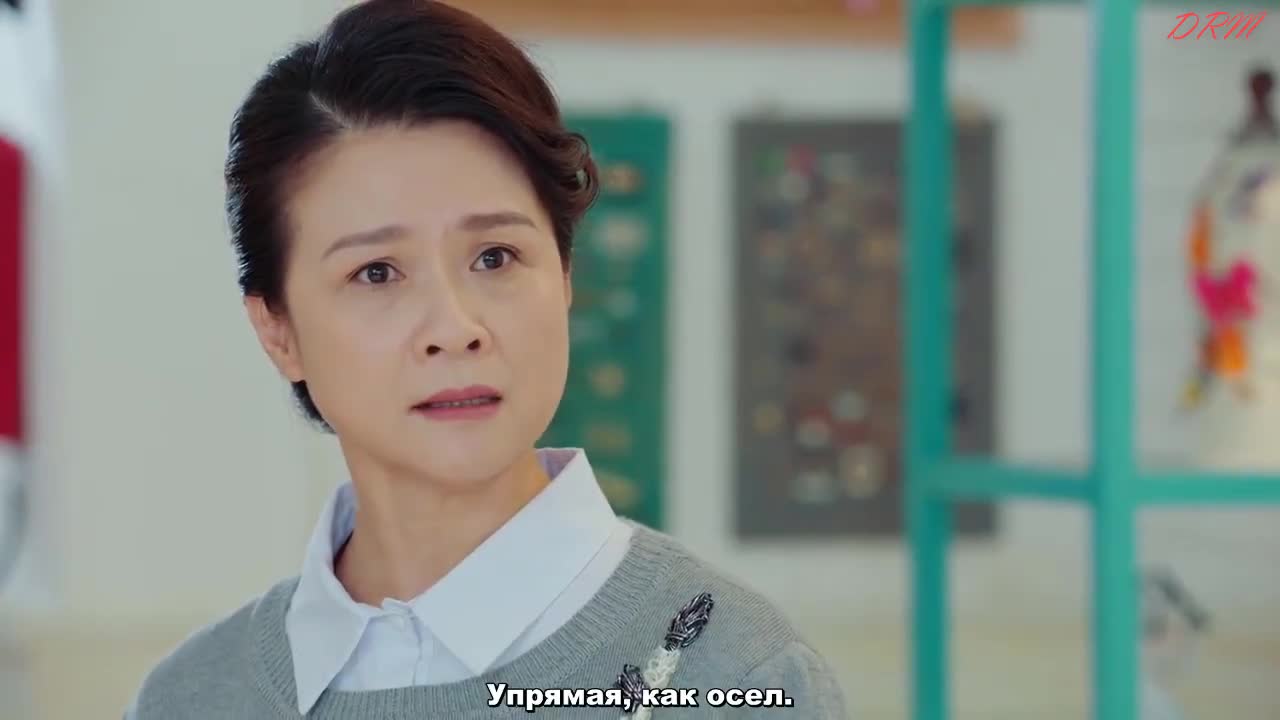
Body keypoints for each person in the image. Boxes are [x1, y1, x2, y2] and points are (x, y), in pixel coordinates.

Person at [124, 1, 849, 717]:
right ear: (278, 331)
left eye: (495, 256)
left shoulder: (736, 675)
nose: (455, 328)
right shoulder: (189, 700)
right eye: (376, 272)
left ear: (565, 275)